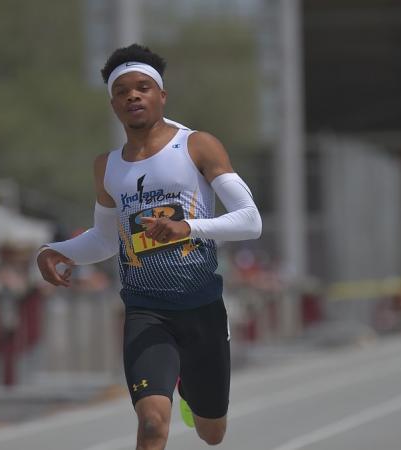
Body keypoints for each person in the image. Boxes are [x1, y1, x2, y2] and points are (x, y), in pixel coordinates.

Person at [36, 44, 262, 449]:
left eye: (143, 87)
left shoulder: (197, 146)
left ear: (162, 96)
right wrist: (54, 250)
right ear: (113, 104)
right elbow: (106, 239)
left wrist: (186, 228)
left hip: (202, 308)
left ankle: (192, 395)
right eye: (123, 91)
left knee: (212, 433)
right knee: (154, 424)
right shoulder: (107, 167)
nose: (133, 96)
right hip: (146, 311)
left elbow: (250, 221)